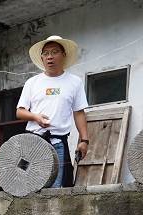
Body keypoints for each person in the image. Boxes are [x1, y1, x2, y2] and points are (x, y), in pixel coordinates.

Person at [15, 35, 90, 188]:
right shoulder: (32, 82)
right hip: (33, 141)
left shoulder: (74, 82)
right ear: (42, 58)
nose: (50, 57)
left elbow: (79, 112)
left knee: (57, 188)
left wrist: (84, 140)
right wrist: (35, 117)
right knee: (27, 184)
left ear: (64, 55)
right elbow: (20, 112)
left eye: (54, 52)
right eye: (46, 53)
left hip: (58, 143)